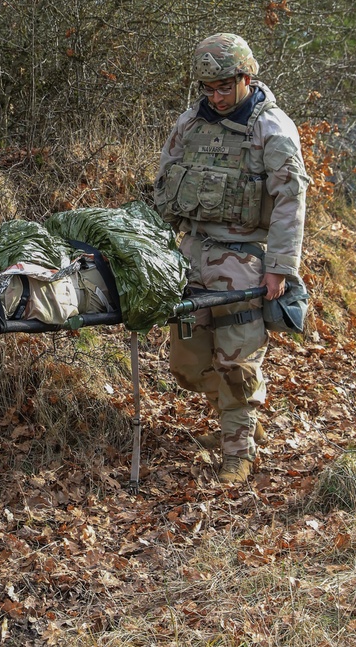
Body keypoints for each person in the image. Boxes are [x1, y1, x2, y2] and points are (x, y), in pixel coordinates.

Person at [153, 33, 307, 485]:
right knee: (186, 365)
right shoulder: (190, 122)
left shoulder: (272, 128)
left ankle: (238, 451)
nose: (216, 97)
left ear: (246, 77)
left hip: (244, 264)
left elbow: (290, 199)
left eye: (224, 87)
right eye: (209, 88)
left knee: (237, 364)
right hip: (191, 255)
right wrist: (155, 247)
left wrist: (280, 268)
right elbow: (165, 184)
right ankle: (234, 419)